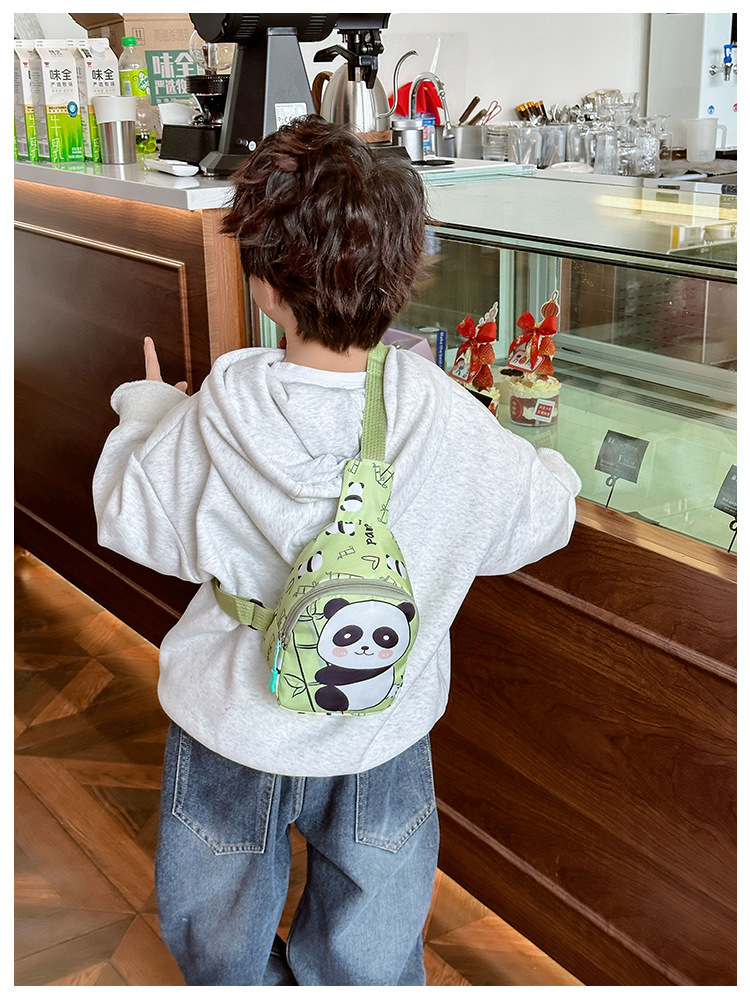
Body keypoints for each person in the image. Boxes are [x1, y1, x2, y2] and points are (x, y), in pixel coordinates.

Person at [93, 116, 581, 987]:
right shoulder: (444, 414)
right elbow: (539, 520)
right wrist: (546, 466)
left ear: (264, 284)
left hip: (231, 723)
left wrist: (146, 411)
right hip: (382, 722)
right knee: (374, 918)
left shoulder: (219, 411)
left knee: (216, 908)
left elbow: (131, 519)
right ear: (408, 271)